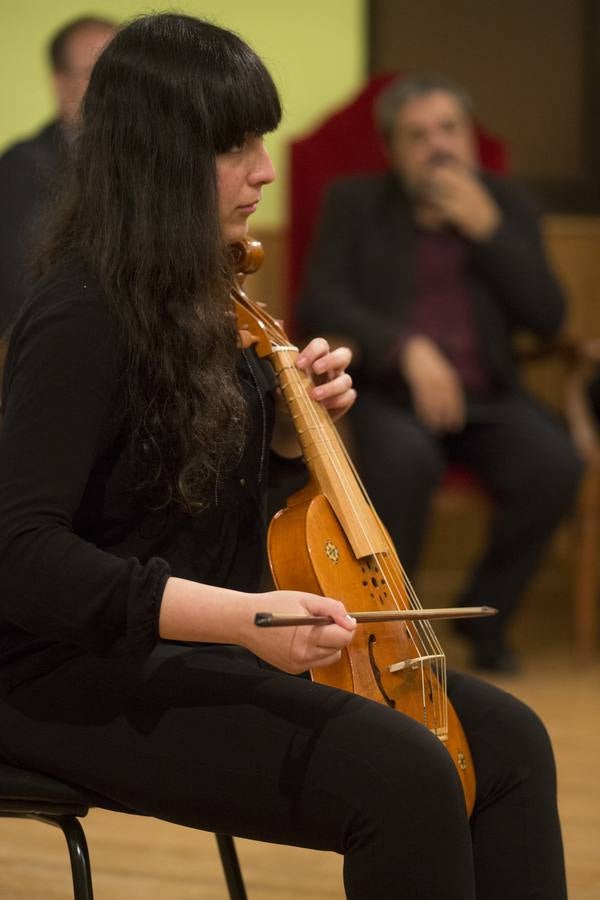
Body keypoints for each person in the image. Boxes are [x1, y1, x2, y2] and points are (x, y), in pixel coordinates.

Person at [0, 16, 567, 899]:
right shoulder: (81, 314)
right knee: (406, 773)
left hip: (182, 648)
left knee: (509, 742)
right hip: (64, 674)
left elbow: (173, 502)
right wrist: (241, 620)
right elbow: (22, 556)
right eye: (235, 145)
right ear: (157, 157)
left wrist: (275, 437)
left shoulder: (206, 296)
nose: (264, 169)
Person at [297, 73, 582, 673]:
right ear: (392, 150)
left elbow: (549, 317)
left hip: (492, 397)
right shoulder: (356, 203)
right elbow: (320, 302)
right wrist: (405, 346)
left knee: (555, 463)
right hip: (391, 394)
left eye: (450, 130)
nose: (440, 147)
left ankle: (487, 616)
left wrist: (489, 232)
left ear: (471, 137)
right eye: (418, 136)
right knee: (402, 464)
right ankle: (402, 628)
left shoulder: (506, 206)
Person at [0, 14, 117, 335]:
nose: (112, 91)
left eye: (119, 77)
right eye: (95, 75)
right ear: (60, 83)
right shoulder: (23, 166)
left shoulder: (147, 162)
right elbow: (22, 283)